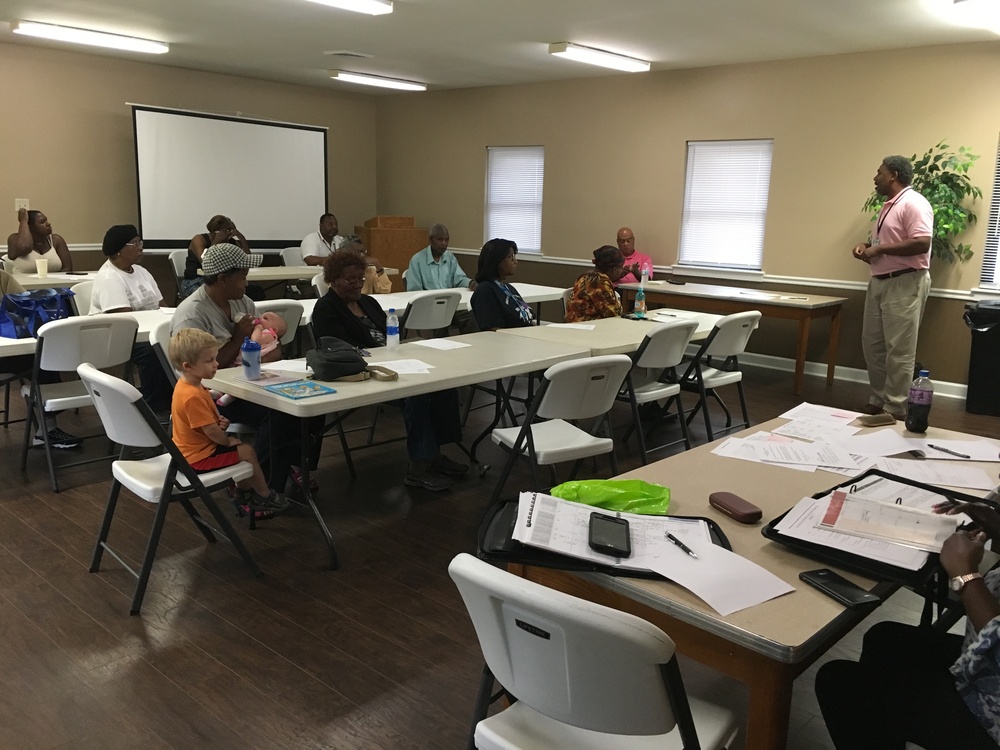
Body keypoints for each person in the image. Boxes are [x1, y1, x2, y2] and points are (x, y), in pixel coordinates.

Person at [815, 501, 1000, 749]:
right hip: (983, 662)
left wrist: (964, 575)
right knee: (886, 639)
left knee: (839, 683)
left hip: (991, 713)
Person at [171, 243, 320, 493]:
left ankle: (293, 466)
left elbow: (266, 349)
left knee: (310, 402)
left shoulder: (244, 303)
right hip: (214, 396)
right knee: (279, 413)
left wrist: (270, 348)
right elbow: (201, 372)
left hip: (249, 382)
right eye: (242, 278)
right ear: (222, 279)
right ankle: (260, 487)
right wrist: (239, 338)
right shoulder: (192, 315)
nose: (246, 284)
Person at [311, 252, 467, 491]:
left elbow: (392, 336)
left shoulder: (369, 302)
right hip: (360, 373)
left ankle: (434, 453)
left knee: (442, 383)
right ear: (333, 279)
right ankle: (419, 466)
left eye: (360, 279)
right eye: (349, 280)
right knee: (416, 394)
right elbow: (339, 350)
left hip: (393, 363)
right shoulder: (326, 308)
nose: (356, 284)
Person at [168, 327, 290, 520]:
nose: (216, 364)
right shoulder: (192, 395)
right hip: (198, 459)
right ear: (188, 365)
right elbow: (211, 431)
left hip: (190, 452)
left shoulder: (189, 386)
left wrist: (217, 421)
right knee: (247, 452)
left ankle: (243, 492)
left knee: (242, 449)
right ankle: (263, 495)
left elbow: (203, 421)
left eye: (214, 358)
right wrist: (225, 441)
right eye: (209, 361)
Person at [852, 155, 933, 418]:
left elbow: (922, 242)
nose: (875, 178)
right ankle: (878, 400)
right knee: (872, 345)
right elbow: (887, 240)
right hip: (879, 282)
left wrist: (881, 249)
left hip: (905, 282)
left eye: (879, 173)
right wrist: (867, 247)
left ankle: (895, 407)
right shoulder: (889, 206)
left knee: (899, 350)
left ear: (893, 175)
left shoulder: (914, 203)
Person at [90, 224, 172, 415]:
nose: (140, 247)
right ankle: (156, 408)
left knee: (181, 343)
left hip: (147, 332)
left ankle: (179, 400)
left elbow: (162, 306)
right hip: (117, 338)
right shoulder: (110, 277)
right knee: (153, 352)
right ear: (119, 250)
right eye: (134, 243)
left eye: (140, 242)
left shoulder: (141, 272)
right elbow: (124, 322)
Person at [1, 269, 81, 449]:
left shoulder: (2, 277)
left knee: (43, 358)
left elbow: (25, 304)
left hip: (7, 349)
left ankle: (47, 431)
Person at [181, 215, 263, 300]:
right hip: (195, 280)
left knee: (255, 291)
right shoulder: (199, 239)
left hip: (222, 281)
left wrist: (241, 239)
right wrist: (216, 241)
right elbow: (206, 263)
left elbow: (246, 260)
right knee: (209, 297)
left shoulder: (231, 243)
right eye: (226, 231)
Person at [470, 238, 534, 330]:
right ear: (496, 261)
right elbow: (494, 331)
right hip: (510, 341)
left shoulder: (507, 288)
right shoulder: (485, 291)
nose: (515, 261)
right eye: (510, 257)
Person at [405, 224, 476, 292]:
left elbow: (460, 279)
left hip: (448, 300)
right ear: (430, 240)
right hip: (427, 302)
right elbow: (414, 291)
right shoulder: (417, 260)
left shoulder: (450, 257)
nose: (444, 243)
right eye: (440, 239)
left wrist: (470, 283)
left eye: (446, 240)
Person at [565, 245, 626, 322]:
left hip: (573, 324)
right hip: (587, 326)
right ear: (614, 269)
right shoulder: (599, 282)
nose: (621, 271)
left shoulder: (585, 276)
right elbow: (612, 314)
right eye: (621, 268)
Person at [6, 208, 73, 273]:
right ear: (31, 227)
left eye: (46, 220)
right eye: (42, 222)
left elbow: (67, 268)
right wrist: (23, 221)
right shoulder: (14, 239)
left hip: (52, 283)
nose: (48, 224)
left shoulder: (57, 240)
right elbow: (25, 247)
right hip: (21, 284)